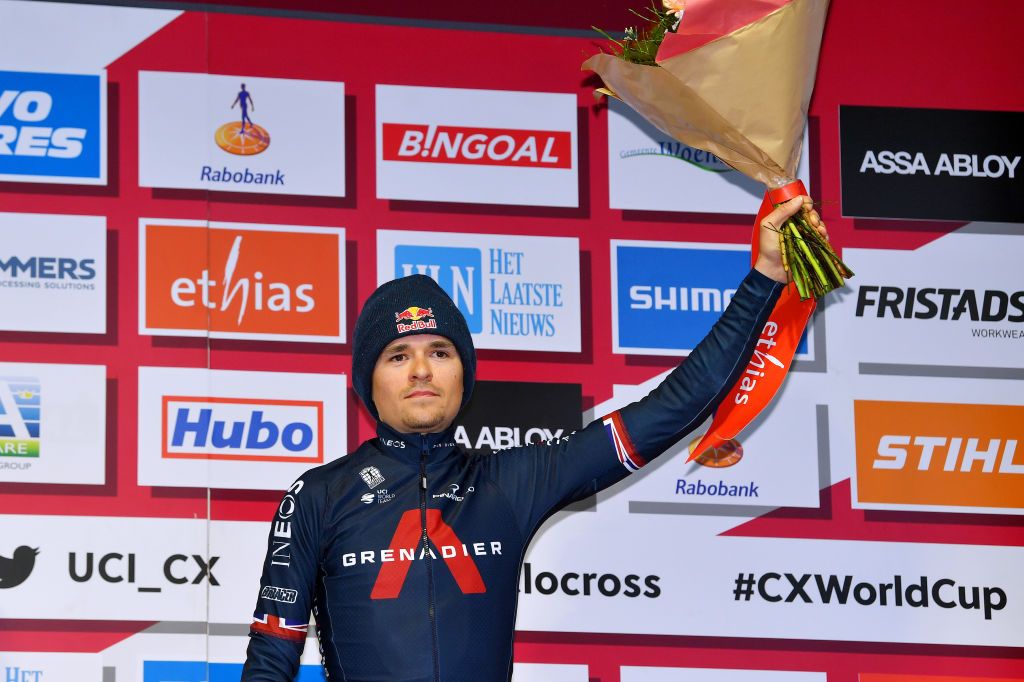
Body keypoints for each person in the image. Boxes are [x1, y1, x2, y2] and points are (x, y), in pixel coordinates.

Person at [242, 197, 825, 681]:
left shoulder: (508, 482)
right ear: (367, 381)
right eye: (399, 356)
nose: (421, 370)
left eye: (439, 352)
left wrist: (766, 278)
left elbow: (676, 407)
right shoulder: (318, 494)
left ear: (462, 374)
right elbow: (271, 660)